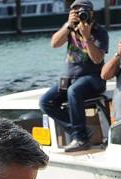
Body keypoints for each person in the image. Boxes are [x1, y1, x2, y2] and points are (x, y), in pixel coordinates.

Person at [39, 0, 109, 152]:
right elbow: (54, 43)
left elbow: (97, 59)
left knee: (74, 91)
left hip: (93, 78)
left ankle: (81, 138)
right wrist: (68, 25)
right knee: (46, 101)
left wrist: (87, 37)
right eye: (76, 11)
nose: (80, 14)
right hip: (69, 79)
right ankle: (80, 132)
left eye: (83, 11)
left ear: (91, 12)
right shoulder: (70, 30)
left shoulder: (99, 32)